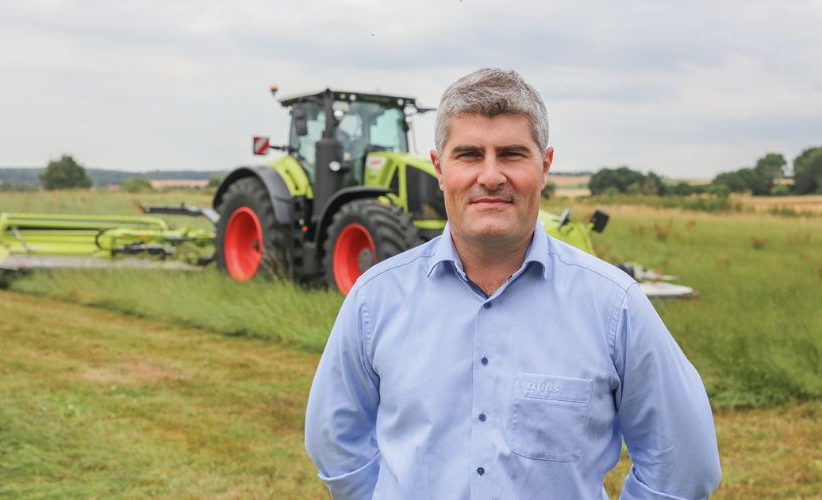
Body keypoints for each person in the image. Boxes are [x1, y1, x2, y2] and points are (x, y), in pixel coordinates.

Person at [304, 68, 721, 499]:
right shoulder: (375, 300)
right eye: (468, 154)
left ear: (545, 166)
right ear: (438, 168)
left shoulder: (613, 305)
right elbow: (335, 442)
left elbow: (684, 466)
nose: (490, 176)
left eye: (511, 154)